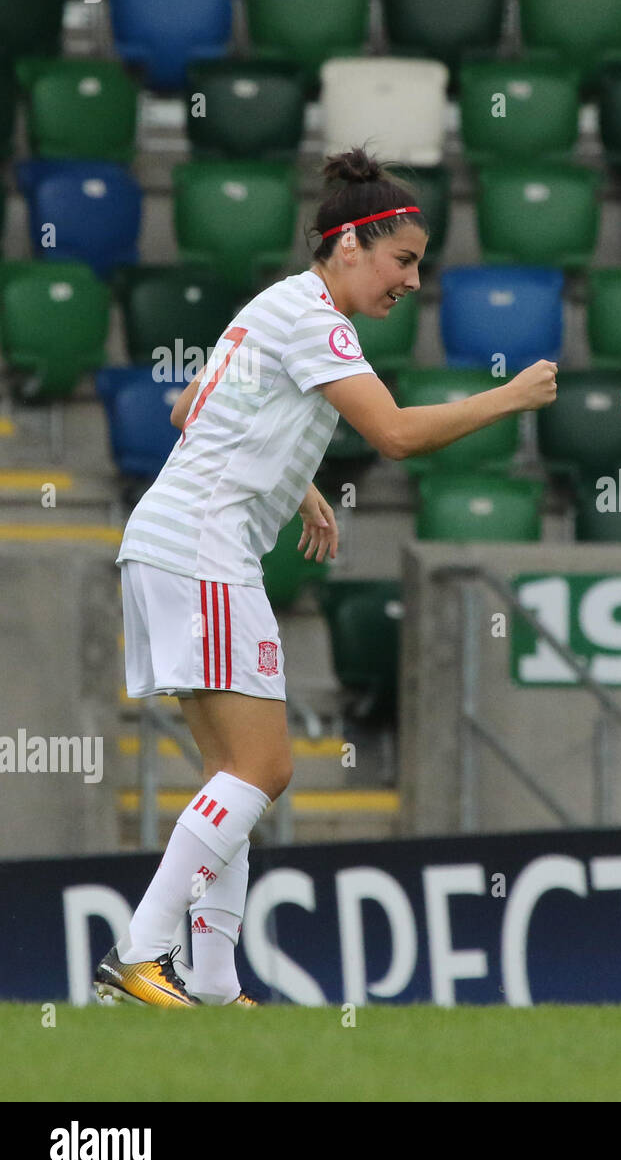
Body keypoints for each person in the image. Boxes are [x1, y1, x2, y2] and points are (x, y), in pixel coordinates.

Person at [97, 148, 558, 1007]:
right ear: (348, 245)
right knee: (265, 769)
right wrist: (510, 397)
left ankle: (217, 980)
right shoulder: (317, 320)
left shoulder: (275, 306)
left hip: (170, 542)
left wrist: (294, 480)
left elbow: (188, 407)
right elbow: (395, 435)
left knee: (233, 771)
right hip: (202, 551)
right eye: (404, 260)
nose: (412, 282)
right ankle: (139, 951)